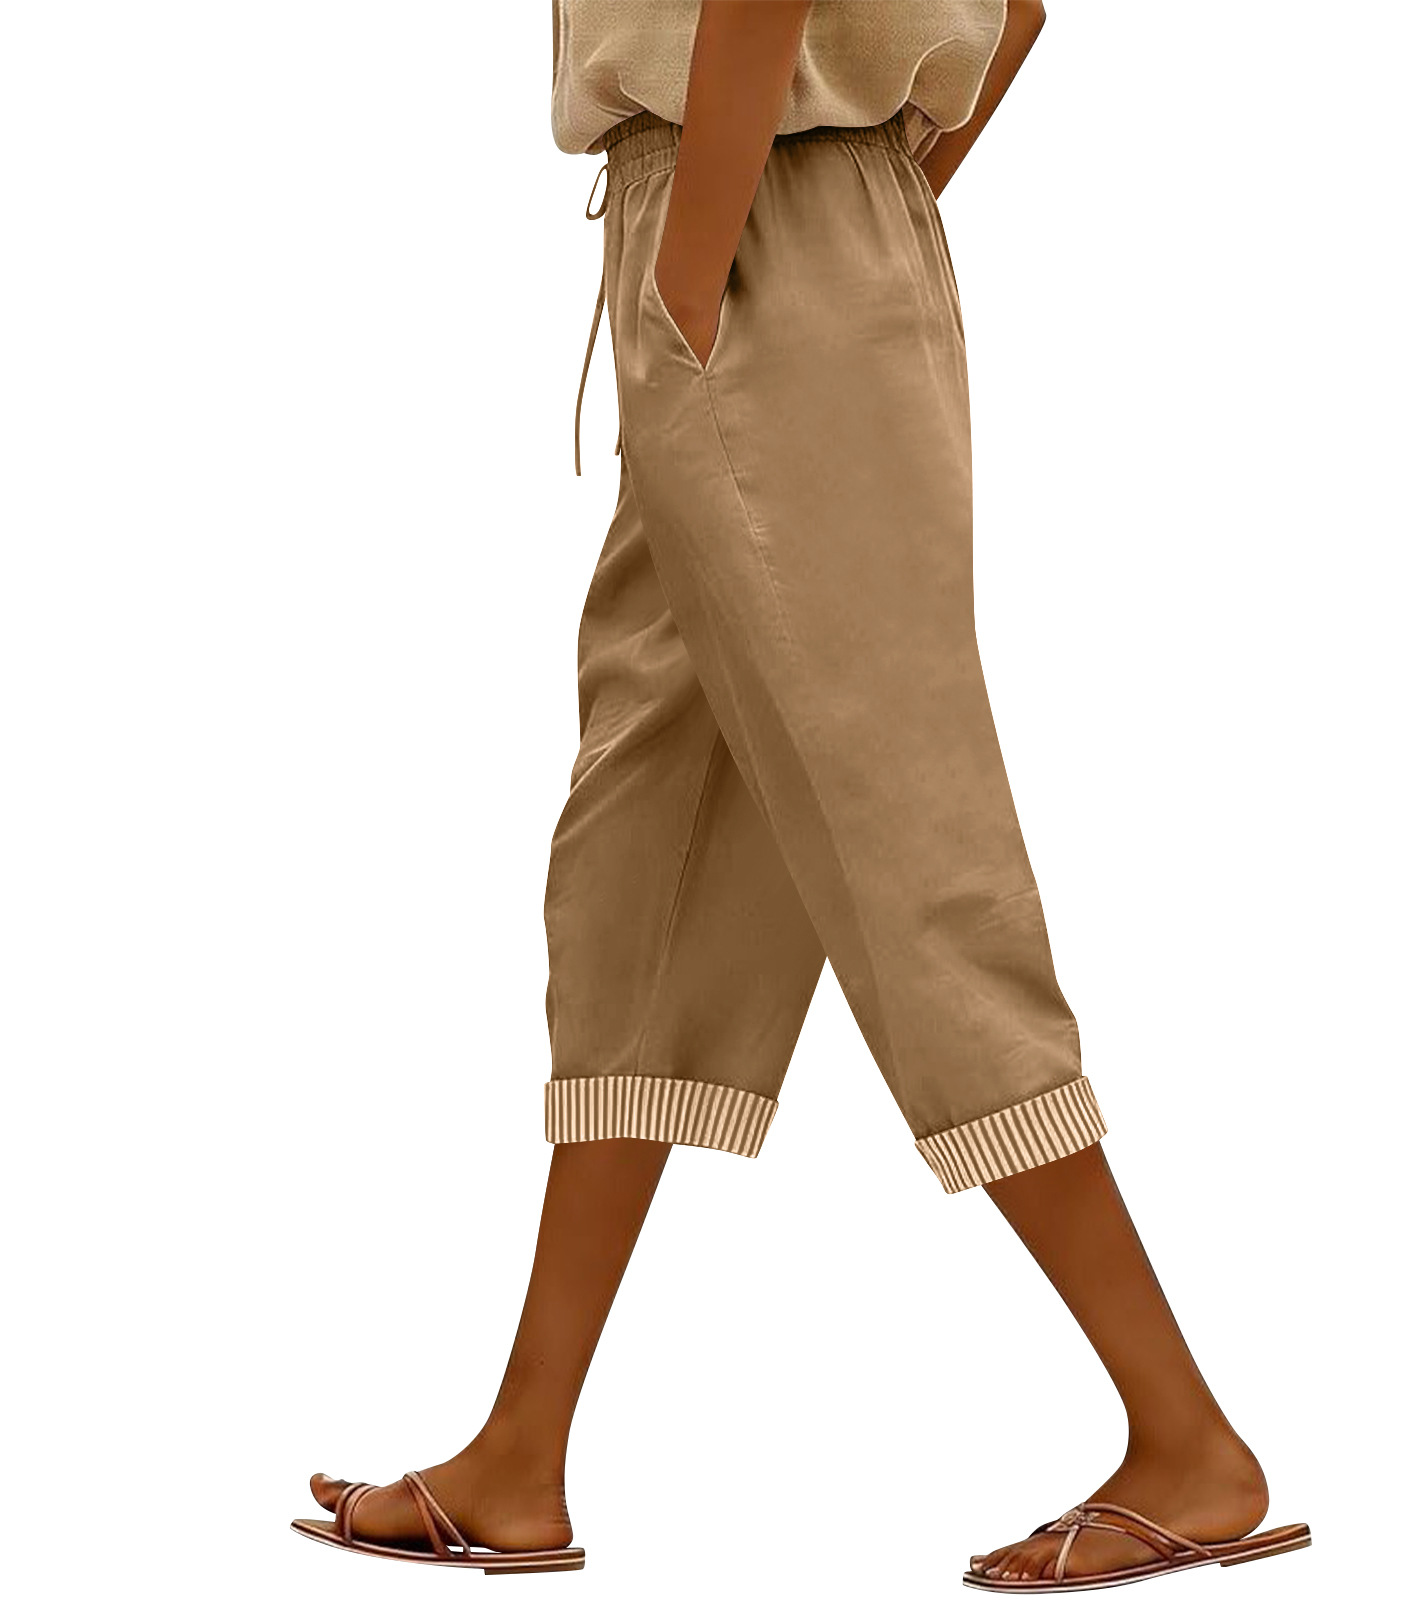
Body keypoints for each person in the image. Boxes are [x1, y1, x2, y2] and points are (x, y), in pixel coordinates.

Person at [290, 4, 1310, 1589]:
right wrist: (851, 206)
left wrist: (698, 268)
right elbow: (1020, 8)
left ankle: (1190, 1444)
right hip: (789, 234)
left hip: (748, 245)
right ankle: (520, 1452)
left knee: (904, 838)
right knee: (646, 847)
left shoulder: (723, 240)